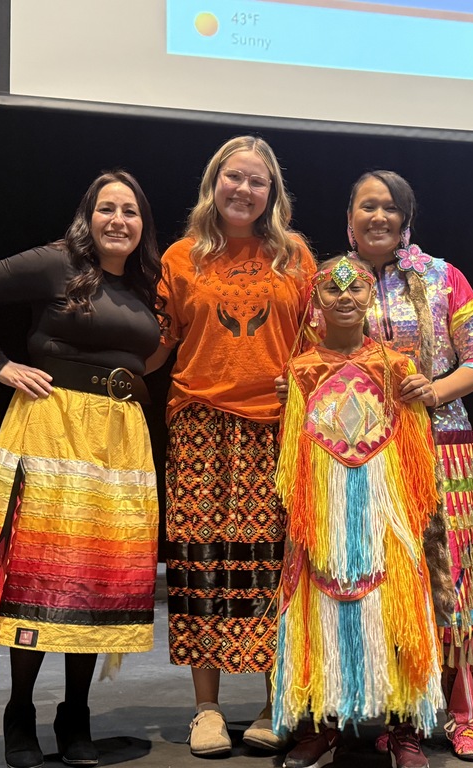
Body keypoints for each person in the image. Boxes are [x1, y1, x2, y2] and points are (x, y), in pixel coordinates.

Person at [0, 170, 163, 768]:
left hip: (119, 439)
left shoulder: (149, 283)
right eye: (107, 209)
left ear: (143, 225)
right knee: (41, 572)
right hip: (53, 428)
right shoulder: (57, 262)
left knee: (92, 576)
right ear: (88, 217)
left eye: (131, 211)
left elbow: (154, 350)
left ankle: (75, 716)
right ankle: (20, 712)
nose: (119, 220)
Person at [350, 170, 473, 762]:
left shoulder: (442, 276)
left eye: (389, 208)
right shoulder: (332, 281)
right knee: (389, 587)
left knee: (457, 584)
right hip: (364, 460)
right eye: (367, 206)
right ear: (349, 218)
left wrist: (439, 389)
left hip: (445, 450)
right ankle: (399, 717)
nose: (378, 216)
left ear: (405, 220)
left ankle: (462, 716)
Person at [154, 135, 316, 758]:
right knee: (201, 566)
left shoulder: (294, 256)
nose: (243, 189)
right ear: (213, 183)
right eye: (233, 177)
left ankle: (278, 702)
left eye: (257, 181)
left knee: (274, 567)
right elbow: (159, 344)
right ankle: (207, 709)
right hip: (197, 426)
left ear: (272, 193)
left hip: (274, 428)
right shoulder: (180, 257)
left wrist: (300, 379)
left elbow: (315, 342)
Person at [271, 255, 449, 768]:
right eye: (332, 291)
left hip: (382, 505)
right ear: (317, 301)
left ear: (371, 298)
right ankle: (319, 726)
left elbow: (414, 450)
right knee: (318, 606)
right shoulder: (301, 370)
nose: (344, 298)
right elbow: (293, 452)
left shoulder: (396, 367)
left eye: (354, 290)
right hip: (323, 509)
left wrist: (407, 512)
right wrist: (306, 512)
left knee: (396, 606)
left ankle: (405, 729)